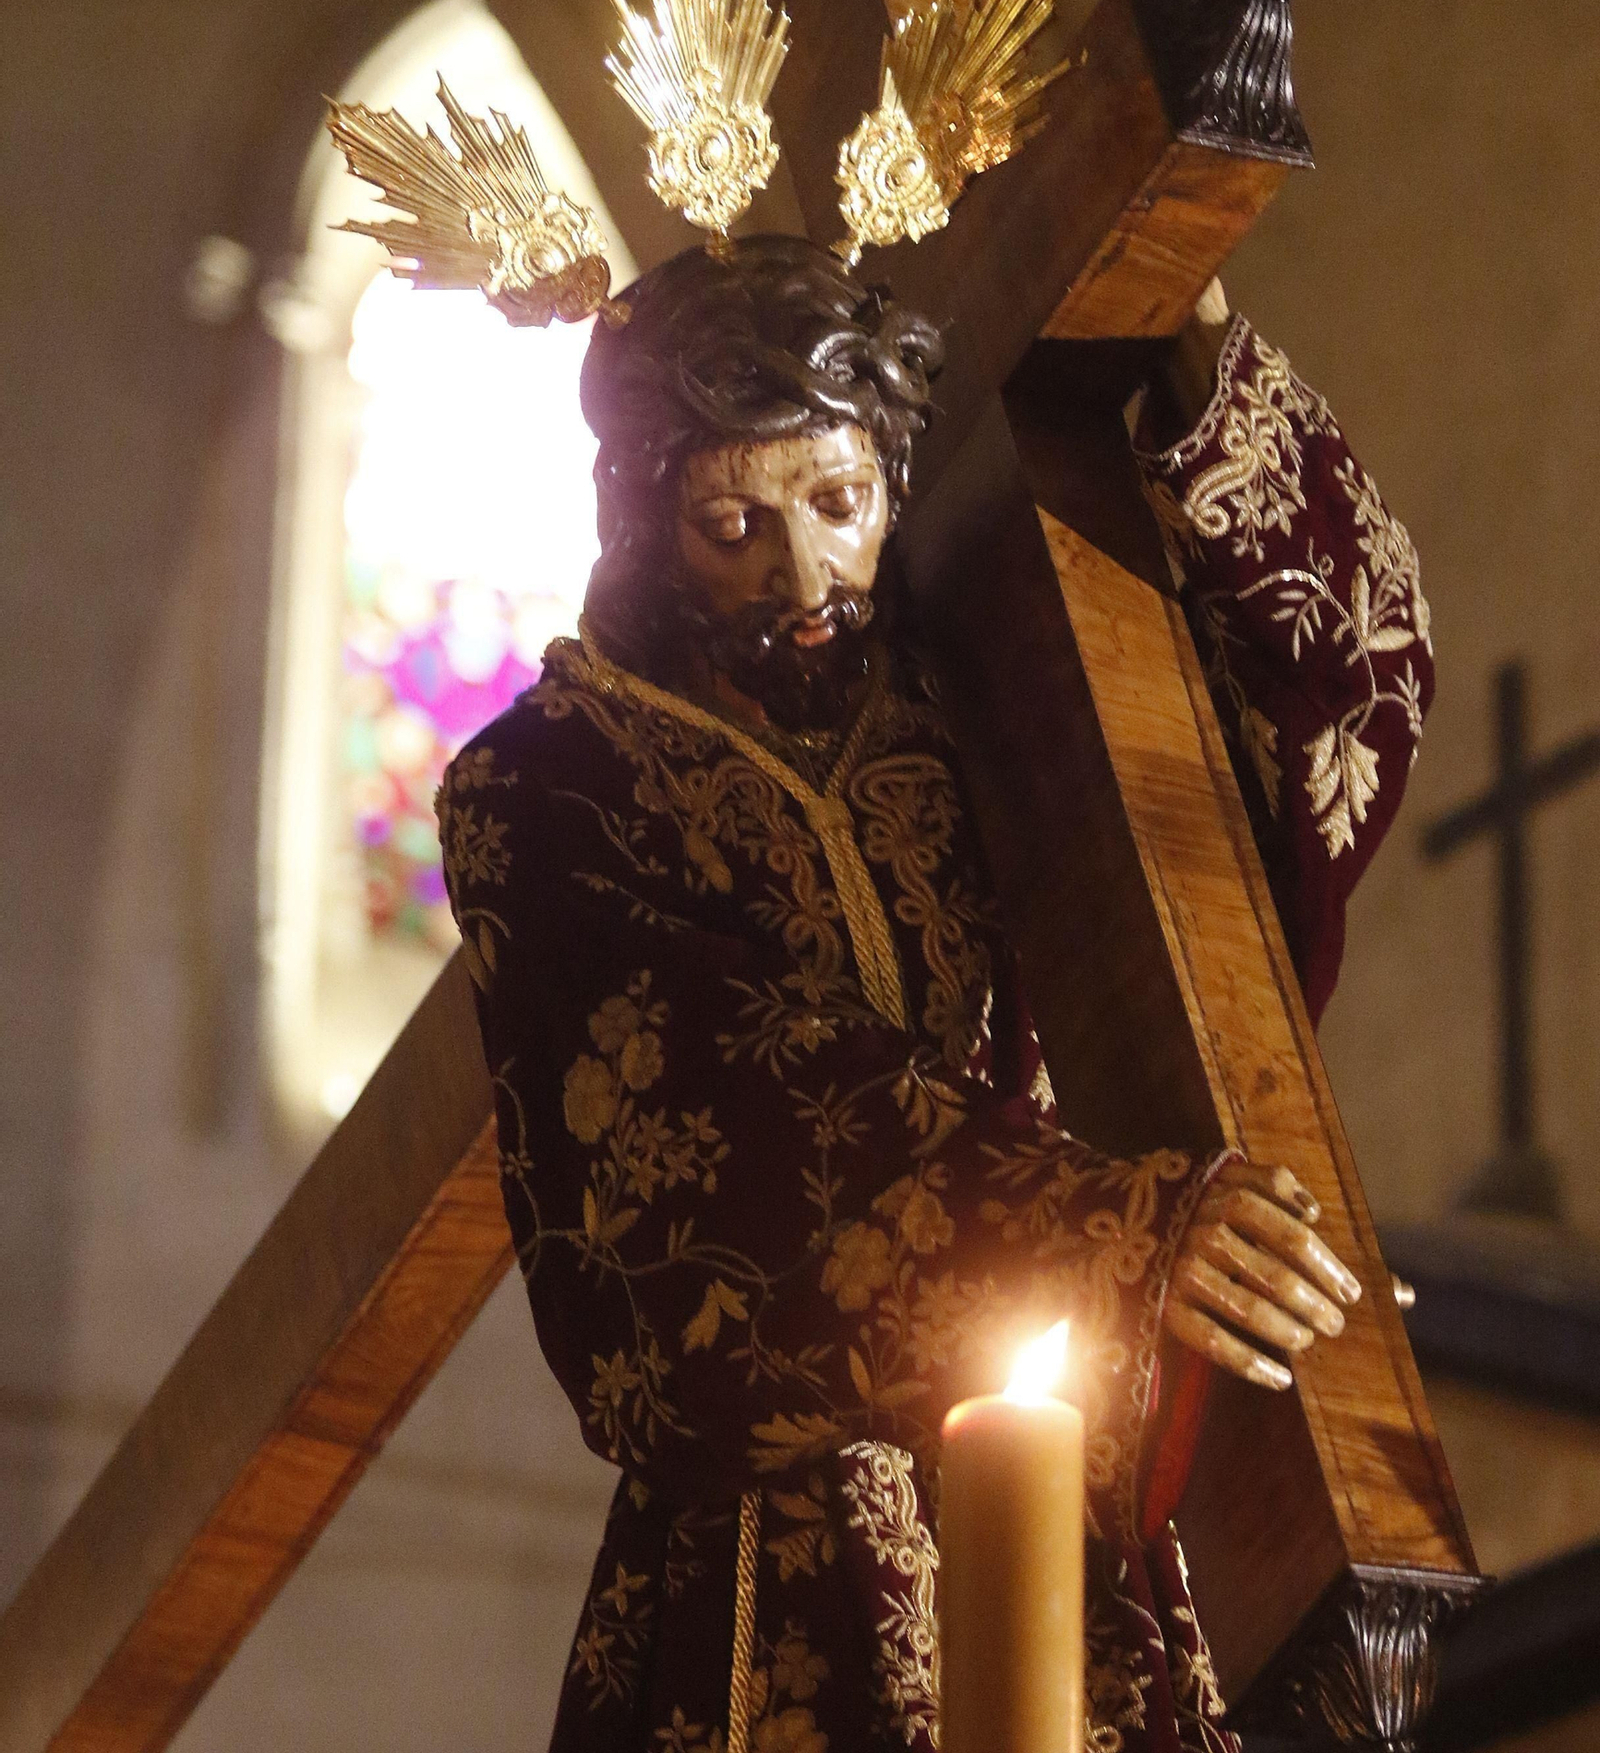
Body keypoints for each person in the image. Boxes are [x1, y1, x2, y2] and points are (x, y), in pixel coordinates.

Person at [434, 234, 1433, 1753]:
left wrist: (1191, 338)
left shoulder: (996, 698)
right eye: (732, 523)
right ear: (646, 518)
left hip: (1090, 1512)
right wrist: (1116, 1232)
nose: (802, 570)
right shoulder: (551, 784)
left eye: (838, 502)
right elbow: (699, 1132)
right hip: (783, 1566)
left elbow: (1317, 732)